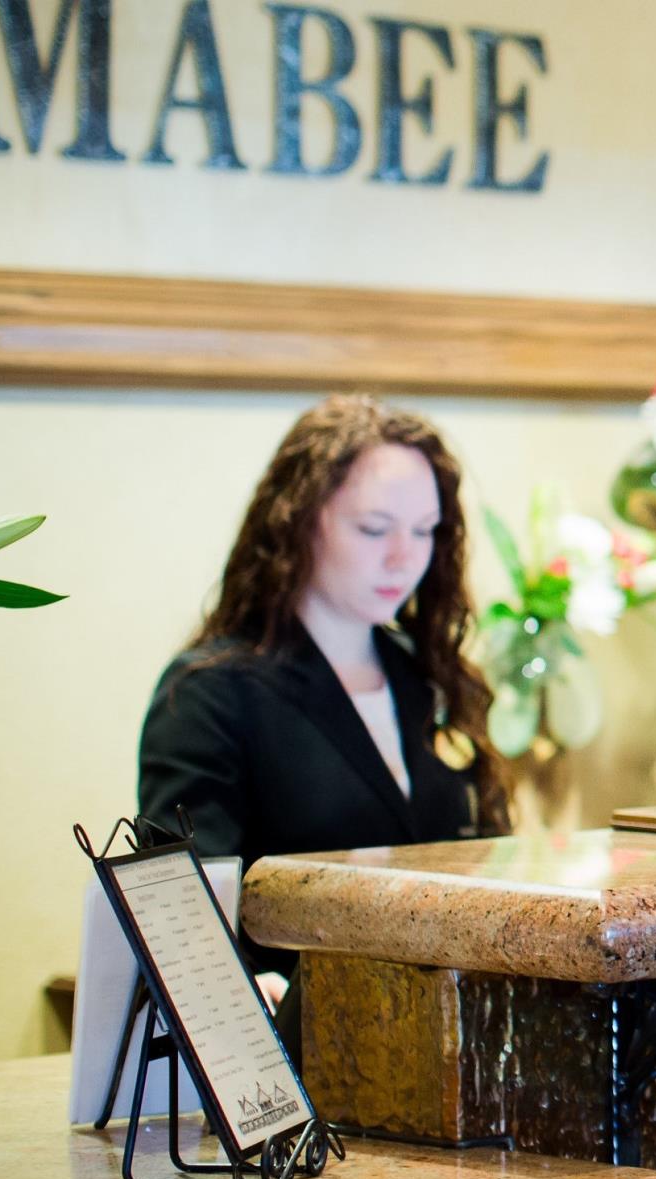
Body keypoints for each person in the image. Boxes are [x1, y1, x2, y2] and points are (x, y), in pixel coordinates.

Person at [138, 395, 509, 1017]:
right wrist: (249, 988)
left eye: (424, 531)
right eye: (374, 529)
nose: (404, 557)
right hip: (299, 1035)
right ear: (298, 521)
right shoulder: (214, 692)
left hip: (446, 1027)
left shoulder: (429, 678)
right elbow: (183, 906)